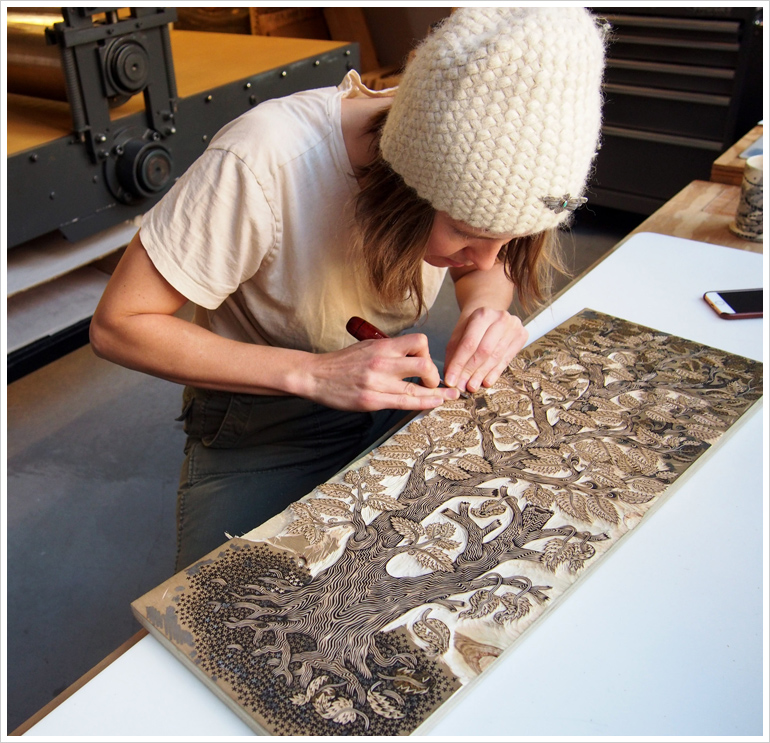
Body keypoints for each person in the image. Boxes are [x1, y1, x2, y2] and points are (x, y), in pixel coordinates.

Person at [90, 7, 607, 570]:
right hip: (262, 419)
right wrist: (313, 374)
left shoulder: (471, 151)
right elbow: (119, 325)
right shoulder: (263, 161)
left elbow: (486, 267)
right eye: (465, 234)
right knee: (232, 613)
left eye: (508, 241)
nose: (488, 259)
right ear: (405, 190)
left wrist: (486, 307)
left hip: (387, 390)